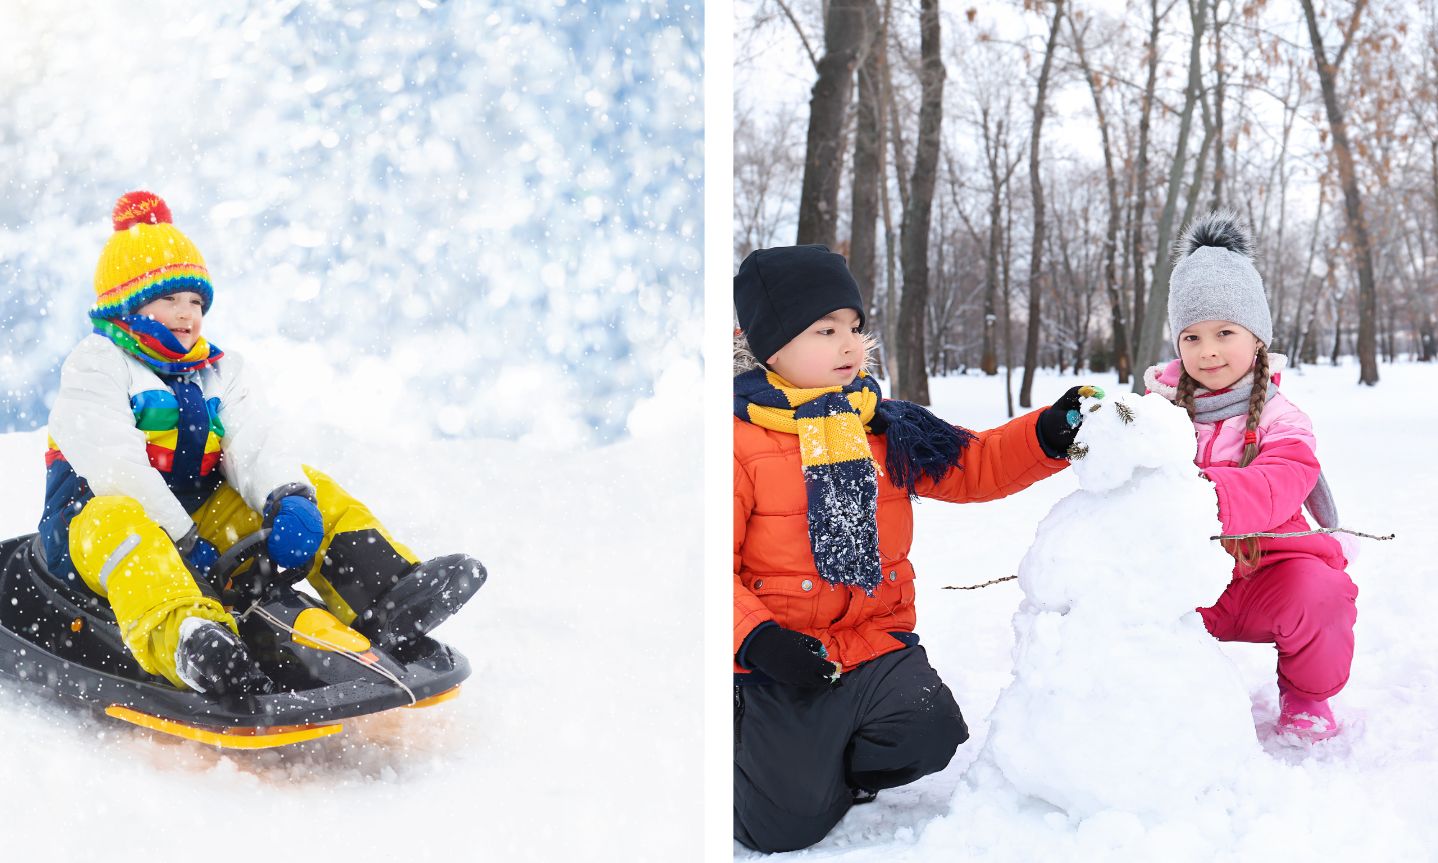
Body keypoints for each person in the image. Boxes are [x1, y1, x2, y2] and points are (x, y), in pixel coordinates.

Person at [39, 191, 484, 696]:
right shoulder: (97, 363)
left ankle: (383, 592)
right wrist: (183, 542)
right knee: (121, 522)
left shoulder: (219, 370)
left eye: (196, 301)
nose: (187, 313)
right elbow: (114, 466)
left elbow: (253, 444)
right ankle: (192, 641)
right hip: (89, 527)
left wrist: (288, 497)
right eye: (169, 299)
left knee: (312, 488)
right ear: (127, 303)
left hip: (195, 518)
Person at [732, 244, 1085, 853]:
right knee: (776, 830)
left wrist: (1048, 433)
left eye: (854, 327)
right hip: (782, 658)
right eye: (826, 330)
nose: (850, 344)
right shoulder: (737, 442)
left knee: (931, 732)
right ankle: (767, 755)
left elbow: (974, 464)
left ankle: (830, 762)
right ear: (772, 345)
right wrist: (757, 640)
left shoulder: (884, 425)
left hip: (873, 645)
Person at [1145, 210, 1357, 743]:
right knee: (1126, 600)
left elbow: (1283, 479)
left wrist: (1203, 497)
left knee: (1322, 592)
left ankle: (1307, 697)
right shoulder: (1157, 417)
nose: (1208, 350)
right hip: (1193, 581)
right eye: (1191, 338)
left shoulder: (1284, 419)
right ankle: (1162, 699)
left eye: (1224, 332)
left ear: (1257, 337)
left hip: (1272, 574)